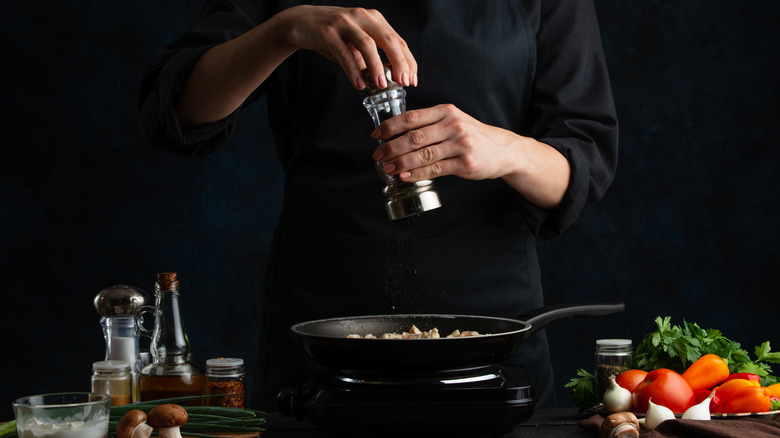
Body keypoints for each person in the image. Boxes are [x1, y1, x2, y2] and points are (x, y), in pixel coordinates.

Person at [138, 0, 618, 410]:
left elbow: (586, 163)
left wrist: (506, 150)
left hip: (490, 323)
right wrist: (284, 30)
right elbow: (174, 110)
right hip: (321, 324)